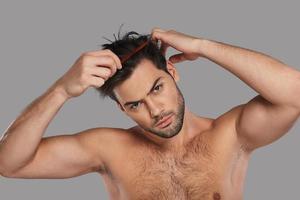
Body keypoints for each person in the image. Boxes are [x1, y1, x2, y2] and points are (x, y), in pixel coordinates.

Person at [0, 28, 299, 200]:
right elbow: (9, 163)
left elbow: (294, 93)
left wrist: (203, 46)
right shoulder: (108, 149)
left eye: (157, 88)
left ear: (172, 71)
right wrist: (61, 90)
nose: (155, 111)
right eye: (135, 104)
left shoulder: (229, 135)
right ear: (122, 109)